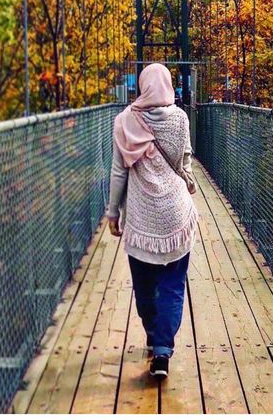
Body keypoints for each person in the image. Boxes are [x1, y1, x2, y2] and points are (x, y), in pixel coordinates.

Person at [104, 63, 199, 380]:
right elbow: (185, 159)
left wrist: (112, 212)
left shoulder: (125, 121)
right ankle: (162, 351)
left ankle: (151, 334)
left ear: (142, 86)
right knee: (172, 286)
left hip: (142, 219)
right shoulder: (180, 118)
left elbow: (119, 172)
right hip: (175, 215)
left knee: (144, 288)